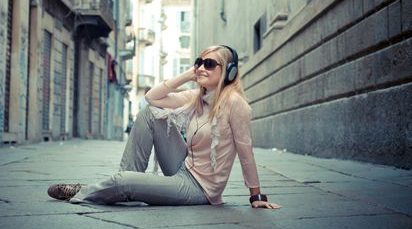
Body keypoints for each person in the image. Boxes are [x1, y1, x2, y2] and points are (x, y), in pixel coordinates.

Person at [47, 45, 281, 209]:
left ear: (229, 72)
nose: (201, 68)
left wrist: (256, 196)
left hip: (198, 189)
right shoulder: (198, 96)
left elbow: (245, 151)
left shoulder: (234, 103)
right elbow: (151, 98)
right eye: (199, 63)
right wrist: (188, 75)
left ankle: (89, 190)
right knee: (150, 114)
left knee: (125, 183)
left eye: (209, 64)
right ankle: (124, 181)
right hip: (182, 166)